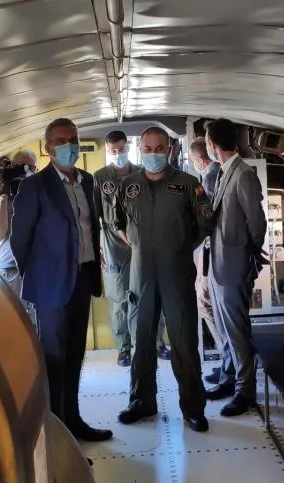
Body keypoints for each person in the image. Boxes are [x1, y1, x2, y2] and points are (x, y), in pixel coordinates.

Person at [10, 118, 112, 443]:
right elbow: (19, 240)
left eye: (73, 139)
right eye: (61, 141)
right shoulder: (34, 187)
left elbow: (90, 228)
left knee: (74, 356)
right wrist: (38, 277)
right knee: (54, 359)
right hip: (50, 285)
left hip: (82, 277)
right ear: (48, 147)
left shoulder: (87, 182)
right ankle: (57, 439)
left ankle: (74, 421)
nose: (68, 146)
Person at [114, 126, 214, 432]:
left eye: (160, 148)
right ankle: (141, 401)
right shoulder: (128, 185)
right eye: (148, 148)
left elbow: (205, 223)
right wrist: (142, 247)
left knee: (184, 341)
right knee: (142, 341)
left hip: (176, 274)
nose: (153, 154)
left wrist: (179, 246)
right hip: (141, 275)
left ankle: (193, 408)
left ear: (169, 149)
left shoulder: (188, 184)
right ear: (139, 149)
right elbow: (118, 222)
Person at [204, 118, 268, 417]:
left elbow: (257, 224)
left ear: (212, 144)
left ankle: (246, 390)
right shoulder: (222, 173)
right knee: (227, 329)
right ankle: (229, 378)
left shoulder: (243, 174)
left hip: (233, 264)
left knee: (237, 330)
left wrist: (248, 252)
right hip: (218, 264)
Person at [94, 130, 170, 368]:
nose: (119, 155)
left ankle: (156, 342)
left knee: (150, 293)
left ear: (129, 147)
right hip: (112, 244)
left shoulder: (142, 172)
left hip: (142, 241)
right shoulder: (99, 178)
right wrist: (97, 249)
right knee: (119, 298)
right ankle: (124, 348)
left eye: (122, 150)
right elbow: (93, 215)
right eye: (113, 151)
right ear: (108, 151)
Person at [187, 137, 223, 370]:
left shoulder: (209, 177)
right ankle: (227, 357)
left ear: (200, 159)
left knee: (205, 303)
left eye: (193, 161)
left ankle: (226, 354)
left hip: (211, 250)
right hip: (213, 251)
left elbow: (207, 218)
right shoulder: (219, 172)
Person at [0, 150, 38, 321]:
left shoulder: (41, 191)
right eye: (22, 167)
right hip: (10, 269)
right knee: (15, 321)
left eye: (31, 168)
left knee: (37, 322)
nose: (27, 171)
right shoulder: (4, 194)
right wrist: (3, 198)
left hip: (36, 268)